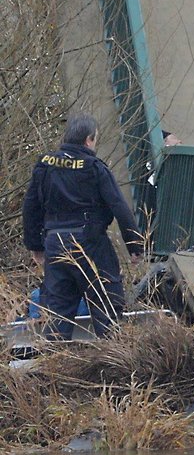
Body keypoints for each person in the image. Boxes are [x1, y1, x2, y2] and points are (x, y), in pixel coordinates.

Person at [22, 113, 143, 340]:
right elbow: (119, 205)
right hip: (90, 244)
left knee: (57, 312)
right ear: (89, 140)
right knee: (106, 305)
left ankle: (53, 367)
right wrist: (135, 245)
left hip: (55, 244)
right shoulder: (94, 167)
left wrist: (36, 245)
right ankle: (115, 360)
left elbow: (30, 207)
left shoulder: (45, 166)